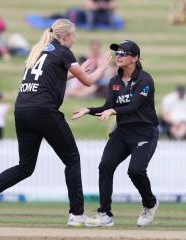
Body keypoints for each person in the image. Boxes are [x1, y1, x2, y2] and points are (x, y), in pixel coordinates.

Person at [0, 18, 111, 226]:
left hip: (23, 110)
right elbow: (88, 83)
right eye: (73, 36)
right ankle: (77, 214)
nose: (74, 40)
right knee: (72, 158)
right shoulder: (64, 51)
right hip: (43, 110)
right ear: (65, 37)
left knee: (25, 166)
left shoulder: (40, 50)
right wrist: (102, 67)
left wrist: (80, 69)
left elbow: (51, 78)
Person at [72, 40, 159, 227]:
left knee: (135, 171)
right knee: (105, 167)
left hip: (145, 132)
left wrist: (114, 111)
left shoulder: (145, 79)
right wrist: (88, 109)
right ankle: (105, 215)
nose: (118, 56)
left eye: (123, 53)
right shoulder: (115, 82)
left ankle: (150, 204)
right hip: (123, 132)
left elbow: (135, 105)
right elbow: (107, 107)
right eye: (117, 53)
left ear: (135, 58)